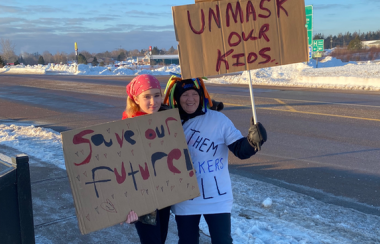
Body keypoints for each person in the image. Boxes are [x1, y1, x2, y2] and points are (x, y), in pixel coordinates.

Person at [163, 76, 267, 244]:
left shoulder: (218, 120)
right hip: (185, 199)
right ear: (177, 98)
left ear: (201, 95)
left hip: (217, 198)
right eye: (184, 95)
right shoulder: (168, 123)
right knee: (187, 241)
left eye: (194, 94)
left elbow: (240, 150)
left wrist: (253, 142)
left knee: (222, 241)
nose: (190, 99)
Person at [121, 74, 171, 244]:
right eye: (147, 96)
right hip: (143, 198)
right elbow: (120, 170)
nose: (153, 101)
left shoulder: (166, 119)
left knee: (160, 239)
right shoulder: (126, 128)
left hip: (164, 195)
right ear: (135, 98)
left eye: (157, 95)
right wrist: (125, 205)